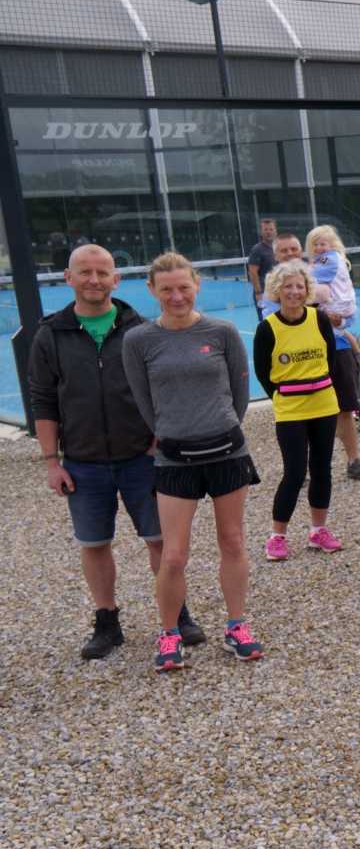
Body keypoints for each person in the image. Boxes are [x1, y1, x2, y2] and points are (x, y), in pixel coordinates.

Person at [28, 244, 205, 659]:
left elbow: (164, 387)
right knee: (94, 543)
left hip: (142, 459)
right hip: (84, 462)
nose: (94, 280)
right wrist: (52, 462)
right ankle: (107, 620)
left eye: (102, 272)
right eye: (85, 272)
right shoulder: (50, 335)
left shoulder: (140, 328)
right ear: (68, 278)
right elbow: (42, 400)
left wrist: (161, 436)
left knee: (160, 541)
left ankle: (176, 612)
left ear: (116, 279)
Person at [122, 252, 264, 670]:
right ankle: (169, 634)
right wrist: (174, 432)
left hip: (227, 453)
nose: (176, 296)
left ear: (196, 285)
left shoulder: (221, 332)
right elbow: (144, 403)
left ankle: (236, 625)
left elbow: (239, 394)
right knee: (174, 555)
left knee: (233, 541)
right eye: (166, 289)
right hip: (174, 459)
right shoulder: (139, 341)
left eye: (183, 287)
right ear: (152, 291)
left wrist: (219, 426)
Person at [252, 260, 345, 561]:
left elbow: (330, 360)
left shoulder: (319, 319)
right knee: (294, 471)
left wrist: (316, 388)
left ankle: (318, 531)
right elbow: (264, 373)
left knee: (322, 469)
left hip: (323, 405)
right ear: (277, 291)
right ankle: (277, 536)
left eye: (299, 286)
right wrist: (285, 396)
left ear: (307, 289)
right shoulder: (268, 328)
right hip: (290, 410)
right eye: (287, 286)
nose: (293, 291)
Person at [306, 224, 360, 483]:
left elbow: (344, 312)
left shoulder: (326, 265)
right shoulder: (300, 277)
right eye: (315, 244)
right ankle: (308, 468)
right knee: (309, 410)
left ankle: (354, 461)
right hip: (309, 349)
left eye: (323, 243)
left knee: (345, 406)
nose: (319, 248)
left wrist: (337, 320)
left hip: (338, 347)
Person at [246, 217, 278, 315]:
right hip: (264, 293)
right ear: (261, 232)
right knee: (265, 321)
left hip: (278, 291)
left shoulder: (278, 248)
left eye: (271, 229)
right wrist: (258, 293)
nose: (268, 232)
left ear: (275, 231)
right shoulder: (257, 250)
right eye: (266, 229)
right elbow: (252, 272)